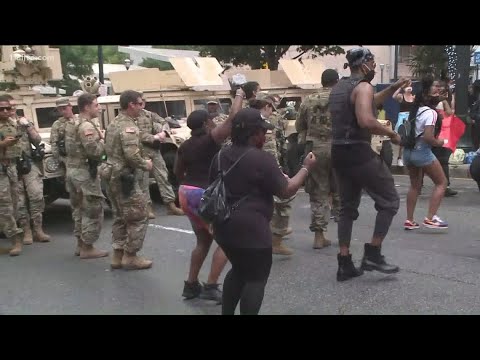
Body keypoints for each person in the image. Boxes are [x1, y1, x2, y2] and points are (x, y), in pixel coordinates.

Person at [209, 107, 316, 315]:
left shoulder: (220, 156)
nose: (265, 135)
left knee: (238, 270)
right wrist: (305, 168)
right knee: (256, 279)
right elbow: (286, 190)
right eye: (262, 131)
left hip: (224, 226)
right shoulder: (261, 159)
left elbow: (213, 187)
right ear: (253, 133)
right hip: (252, 230)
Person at [329, 47, 407, 282]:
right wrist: (391, 133)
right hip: (357, 151)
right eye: (372, 63)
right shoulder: (363, 86)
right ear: (364, 64)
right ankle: (373, 253)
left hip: (339, 152)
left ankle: (344, 263)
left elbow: (367, 101)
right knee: (389, 200)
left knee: (347, 207)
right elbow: (366, 119)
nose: (374, 67)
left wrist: (393, 88)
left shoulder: (340, 87)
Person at [175, 88, 244, 302]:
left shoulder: (184, 146)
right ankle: (211, 286)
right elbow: (232, 119)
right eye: (211, 120)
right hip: (204, 193)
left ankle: (191, 284)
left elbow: (177, 172)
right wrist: (239, 95)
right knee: (227, 241)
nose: (214, 122)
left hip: (186, 192)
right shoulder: (210, 140)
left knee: (203, 241)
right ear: (206, 124)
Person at [103, 90, 154, 270]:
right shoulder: (128, 127)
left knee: (119, 216)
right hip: (125, 177)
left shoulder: (113, 123)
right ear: (131, 104)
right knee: (139, 216)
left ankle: (117, 255)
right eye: (140, 103)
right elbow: (132, 155)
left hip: (111, 174)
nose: (142, 107)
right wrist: (145, 164)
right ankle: (130, 255)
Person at [295, 69, 341, 249]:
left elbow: (299, 125)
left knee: (318, 192)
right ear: (336, 81)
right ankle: (344, 234)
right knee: (341, 190)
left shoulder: (308, 99)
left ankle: (319, 236)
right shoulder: (341, 99)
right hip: (338, 147)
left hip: (315, 150)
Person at [64, 93, 108, 258]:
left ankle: (80, 244)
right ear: (87, 107)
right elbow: (94, 152)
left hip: (72, 171)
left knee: (78, 209)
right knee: (92, 209)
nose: (99, 108)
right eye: (96, 105)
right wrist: (105, 141)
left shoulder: (72, 123)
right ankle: (87, 247)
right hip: (84, 173)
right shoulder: (86, 127)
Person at [249, 93, 294, 255]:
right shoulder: (263, 125)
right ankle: (276, 239)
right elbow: (271, 153)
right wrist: (280, 172)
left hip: (248, 170)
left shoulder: (245, 120)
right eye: (271, 108)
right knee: (284, 200)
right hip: (266, 170)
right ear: (267, 107)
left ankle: (263, 235)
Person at [402, 75, 448, 230]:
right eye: (435, 89)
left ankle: (409, 220)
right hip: (422, 151)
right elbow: (428, 137)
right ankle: (430, 218)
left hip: (408, 152)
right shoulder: (431, 113)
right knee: (441, 183)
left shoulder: (415, 110)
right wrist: (439, 142)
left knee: (414, 186)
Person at [7, 96, 51, 244]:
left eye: (14, 106)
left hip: (28, 163)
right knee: (19, 200)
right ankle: (26, 230)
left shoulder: (23, 122)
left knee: (37, 194)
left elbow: (37, 140)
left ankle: (38, 229)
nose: (12, 110)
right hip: (11, 165)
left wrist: (28, 126)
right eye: (8, 107)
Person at [136, 96, 183, 218]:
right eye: (140, 102)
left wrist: (163, 132)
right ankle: (147, 207)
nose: (143, 104)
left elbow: (164, 122)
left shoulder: (150, 114)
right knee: (143, 180)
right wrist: (154, 137)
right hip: (141, 150)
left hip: (154, 150)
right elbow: (136, 134)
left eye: (144, 101)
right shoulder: (131, 117)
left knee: (163, 176)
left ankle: (170, 204)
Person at [0, 95, 23, 256]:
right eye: (2, 109)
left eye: (8, 108)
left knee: (15, 203)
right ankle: (15, 240)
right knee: (5, 206)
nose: (6, 111)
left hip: (12, 167)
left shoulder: (12, 124)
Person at [432, 80, 457, 197]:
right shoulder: (428, 100)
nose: (439, 89)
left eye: (440, 86)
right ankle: (418, 185)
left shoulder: (444, 100)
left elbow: (449, 113)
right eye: (436, 86)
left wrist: (444, 100)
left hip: (442, 133)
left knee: (443, 160)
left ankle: (445, 186)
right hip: (430, 133)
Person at [393, 83, 415, 166]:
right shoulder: (401, 96)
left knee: (412, 137)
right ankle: (399, 158)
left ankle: (410, 158)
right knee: (403, 138)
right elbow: (394, 96)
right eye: (407, 86)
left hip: (411, 118)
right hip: (403, 118)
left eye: (410, 86)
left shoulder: (413, 97)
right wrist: (400, 87)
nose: (409, 88)